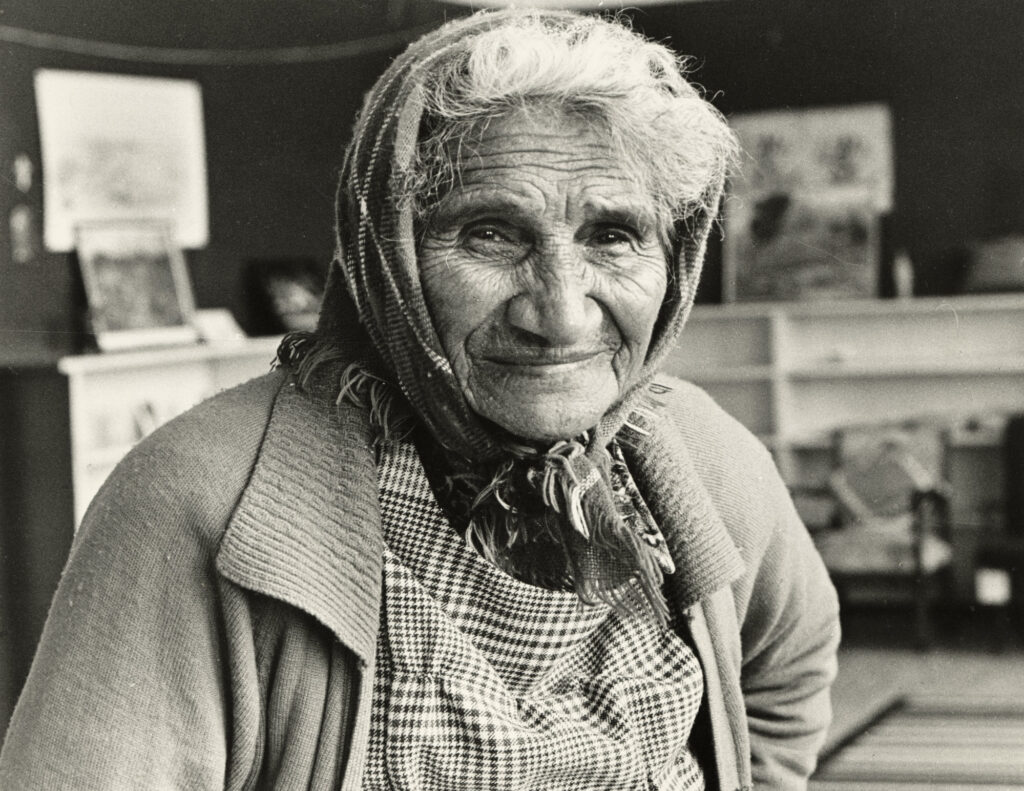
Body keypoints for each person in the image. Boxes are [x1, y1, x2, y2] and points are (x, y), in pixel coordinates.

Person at [0, 9, 839, 790]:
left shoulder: (693, 450)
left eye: (613, 235)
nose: (559, 312)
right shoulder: (201, 496)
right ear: (388, 250)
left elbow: (789, 664)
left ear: (676, 258)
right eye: (491, 234)